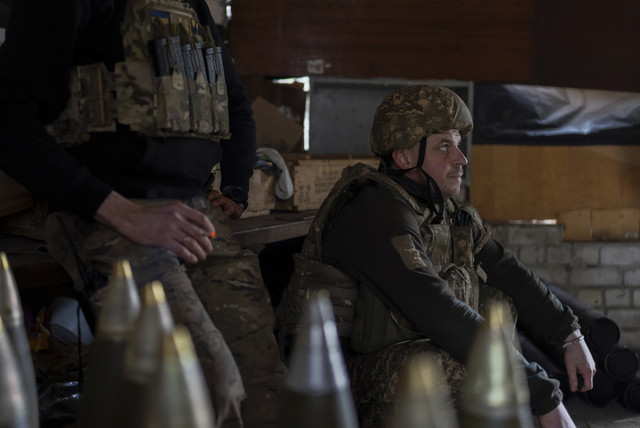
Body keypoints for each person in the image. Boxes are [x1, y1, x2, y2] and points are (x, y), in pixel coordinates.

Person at [0, 0, 286, 427]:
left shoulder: (191, 5)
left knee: (267, 391)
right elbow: (8, 116)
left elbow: (235, 106)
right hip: (111, 215)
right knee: (203, 389)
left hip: (197, 214)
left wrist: (235, 188)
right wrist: (120, 210)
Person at [278, 85, 596, 428]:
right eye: (444, 147)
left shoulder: (440, 209)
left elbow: (508, 271)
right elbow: (435, 308)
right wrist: (543, 395)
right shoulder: (376, 210)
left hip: (395, 360)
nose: (460, 158)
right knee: (459, 363)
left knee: (499, 303)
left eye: (457, 145)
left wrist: (569, 335)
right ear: (402, 158)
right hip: (335, 382)